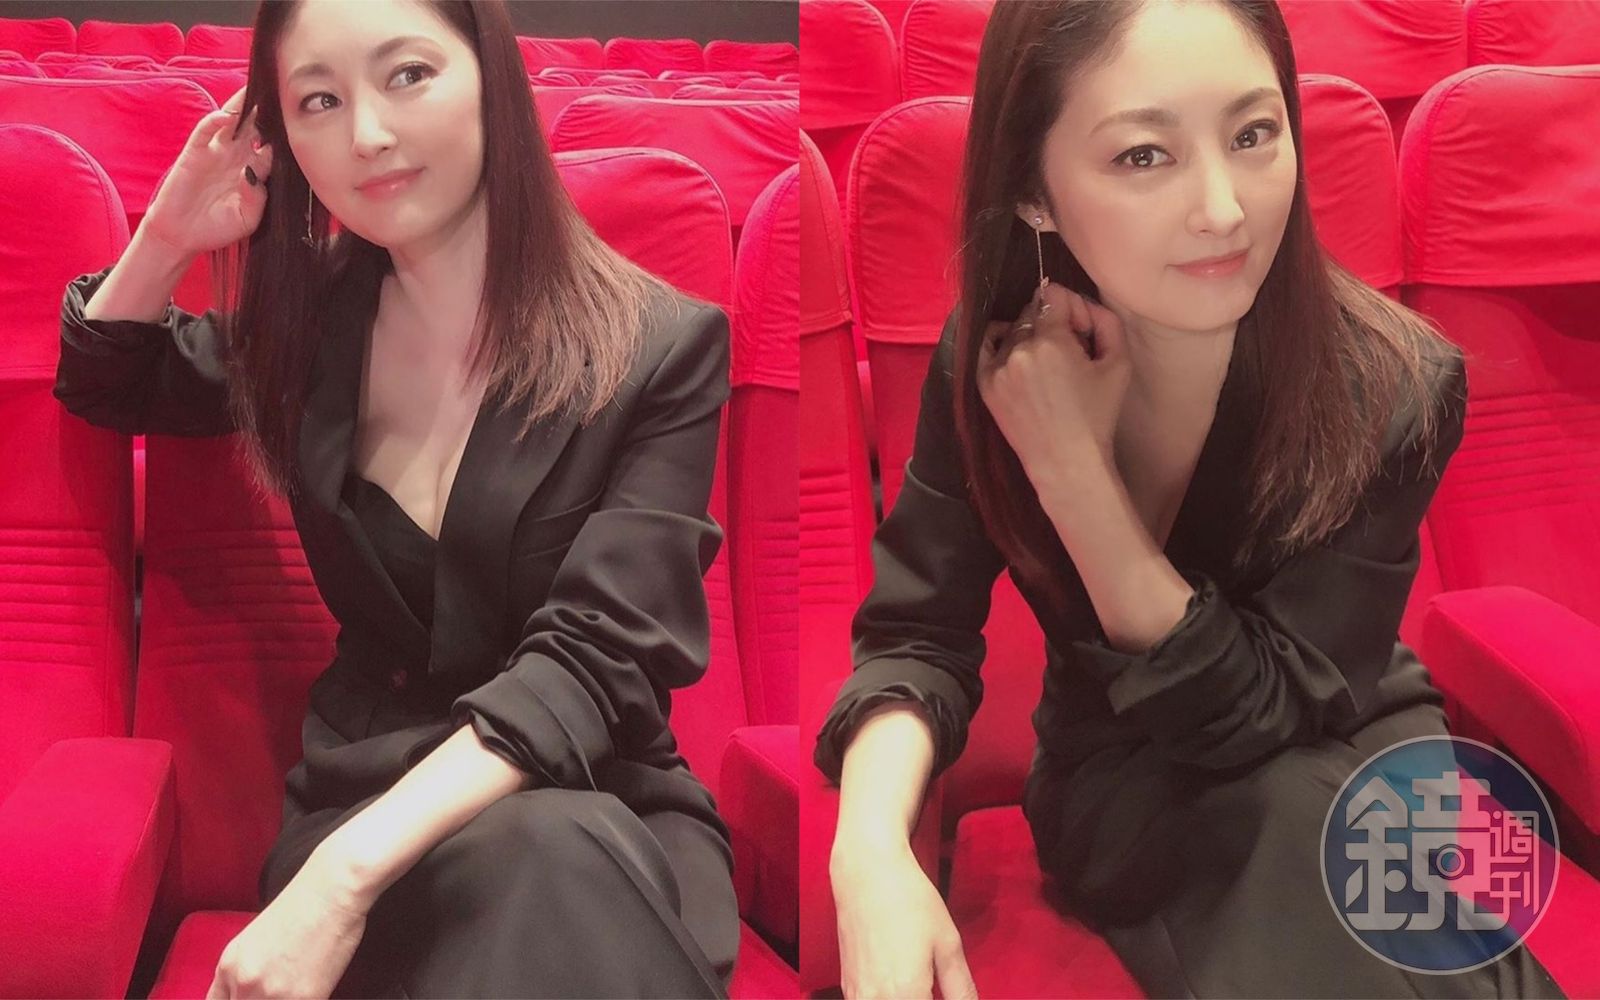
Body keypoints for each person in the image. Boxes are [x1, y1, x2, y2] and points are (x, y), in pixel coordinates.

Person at [812, 2, 1567, 998]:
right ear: (1033, 187)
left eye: (1253, 134)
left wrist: (1075, 477)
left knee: (1363, 852)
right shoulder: (997, 360)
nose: (1224, 209)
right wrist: (868, 854)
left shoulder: (1395, 383)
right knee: (1311, 836)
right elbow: (917, 635)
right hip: (1133, 775)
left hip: (1357, 732)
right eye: (1143, 156)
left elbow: (1271, 707)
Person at [53, 1, 737, 996]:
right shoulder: (307, 333)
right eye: (318, 101)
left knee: (555, 848)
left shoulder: (660, 349)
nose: (366, 134)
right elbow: (107, 379)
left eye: (407, 74)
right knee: (551, 865)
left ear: (490, 76)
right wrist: (168, 235)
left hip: (596, 792)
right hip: (370, 789)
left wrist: (341, 882)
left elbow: (598, 660)